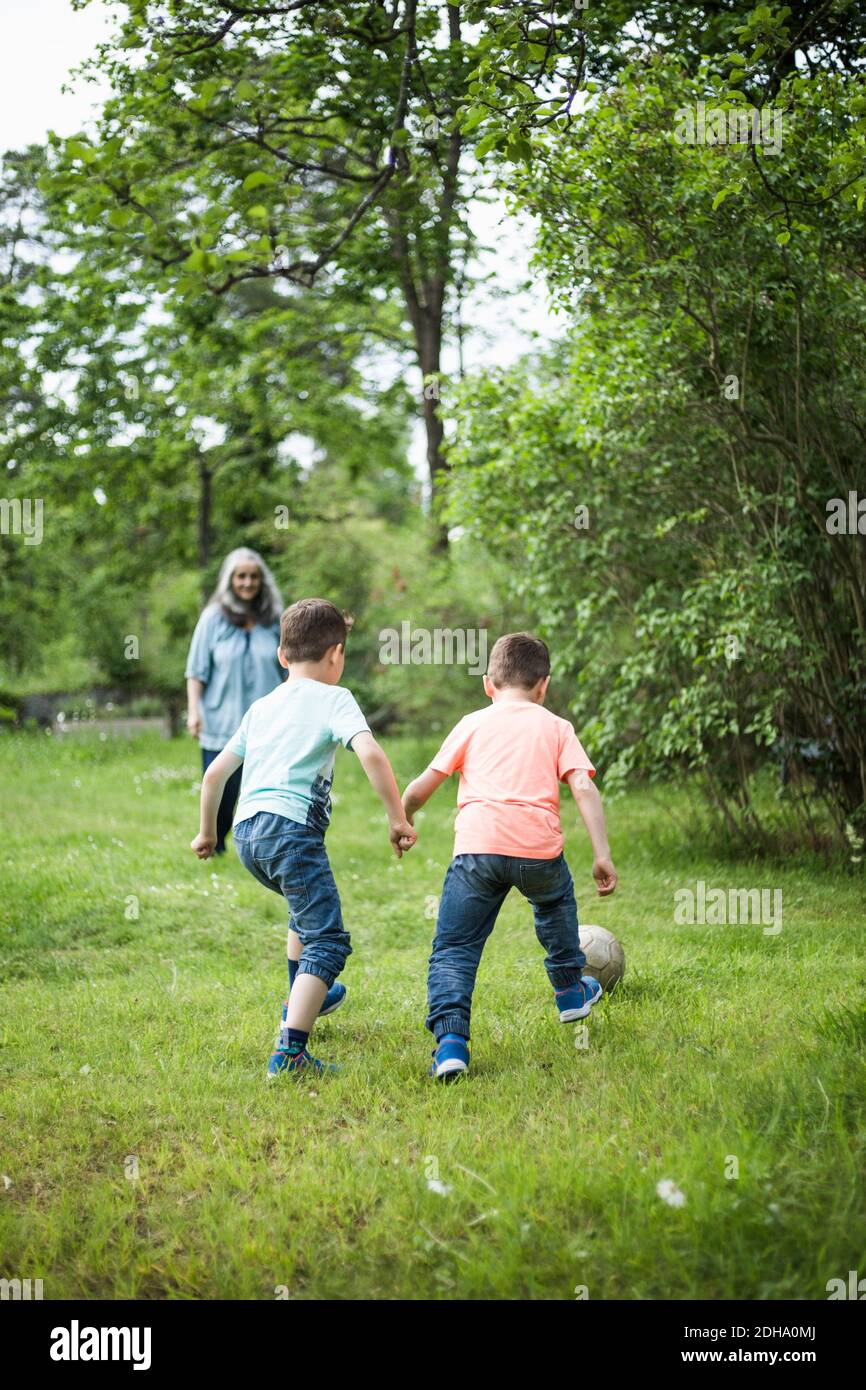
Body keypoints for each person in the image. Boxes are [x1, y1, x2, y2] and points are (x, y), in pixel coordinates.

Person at [190, 598, 417, 1077]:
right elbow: (371, 755)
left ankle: (304, 994)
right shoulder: (335, 698)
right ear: (336, 654)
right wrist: (397, 819)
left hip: (249, 832)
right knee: (329, 941)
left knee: (303, 909)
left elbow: (214, 775)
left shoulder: (262, 705)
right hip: (291, 833)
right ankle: (289, 1054)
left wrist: (208, 834)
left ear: (281, 656)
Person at [401, 631, 618, 1081]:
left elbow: (423, 784)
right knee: (555, 904)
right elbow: (582, 785)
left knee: (455, 949)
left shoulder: (472, 722)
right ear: (544, 686)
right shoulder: (556, 726)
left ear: (488, 684)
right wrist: (601, 855)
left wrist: (402, 818)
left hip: (477, 852)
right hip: (538, 851)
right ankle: (570, 994)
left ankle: (451, 1045)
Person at [185, 548, 284, 855]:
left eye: (253, 576)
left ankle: (263, 849)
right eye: (241, 576)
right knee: (222, 792)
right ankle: (214, 844)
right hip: (221, 722)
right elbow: (196, 670)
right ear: (230, 580)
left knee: (266, 791)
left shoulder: (275, 620)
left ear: (262, 581)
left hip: (267, 725)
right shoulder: (212, 618)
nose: (247, 582)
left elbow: (290, 670)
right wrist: (193, 711)